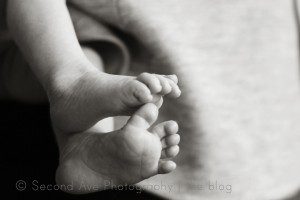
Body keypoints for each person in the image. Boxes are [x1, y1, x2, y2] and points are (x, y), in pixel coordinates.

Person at [0, 0, 181, 193]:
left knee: (90, 51)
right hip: (24, 41)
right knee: (89, 47)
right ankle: (75, 85)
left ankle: (87, 144)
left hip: (36, 50)